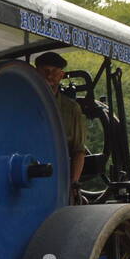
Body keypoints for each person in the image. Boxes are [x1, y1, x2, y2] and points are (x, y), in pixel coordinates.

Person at [33, 51, 86, 190]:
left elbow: (79, 151)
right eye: (45, 71)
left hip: (59, 180)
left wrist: (73, 184)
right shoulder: (21, 103)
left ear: (61, 75)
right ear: (36, 73)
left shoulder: (72, 109)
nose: (49, 76)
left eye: (54, 72)